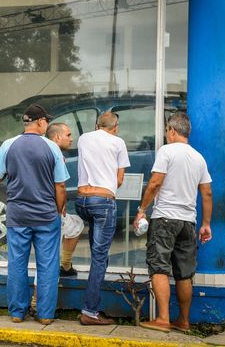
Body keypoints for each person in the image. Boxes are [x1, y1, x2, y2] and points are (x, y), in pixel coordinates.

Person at [0, 104, 69, 325]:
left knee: (17, 264)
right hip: (46, 215)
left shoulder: (8, 145)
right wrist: (58, 210)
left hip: (18, 215)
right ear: (40, 122)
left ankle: (17, 312)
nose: (47, 125)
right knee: (48, 266)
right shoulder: (52, 147)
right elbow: (60, 185)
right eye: (46, 122)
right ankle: (45, 315)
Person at [136, 112, 212, 333]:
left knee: (159, 266)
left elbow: (155, 183)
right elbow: (207, 193)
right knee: (184, 272)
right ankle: (184, 321)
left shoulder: (166, 151)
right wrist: (205, 224)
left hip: (165, 218)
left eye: (167, 130)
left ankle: (163, 319)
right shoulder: (198, 157)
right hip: (188, 222)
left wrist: (142, 210)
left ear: (172, 130)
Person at [75, 111, 130, 326]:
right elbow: (119, 179)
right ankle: (90, 311)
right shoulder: (118, 142)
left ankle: (91, 306)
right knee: (100, 257)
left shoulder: (83, 138)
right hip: (103, 202)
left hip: (82, 201)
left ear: (97, 125)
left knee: (97, 254)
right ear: (115, 128)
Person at [45, 122, 79, 277]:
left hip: (38, 208)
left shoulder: (44, 151)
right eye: (68, 135)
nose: (71, 139)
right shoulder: (56, 154)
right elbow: (60, 186)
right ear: (57, 137)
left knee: (76, 224)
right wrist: (60, 210)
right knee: (48, 255)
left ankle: (65, 265)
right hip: (51, 210)